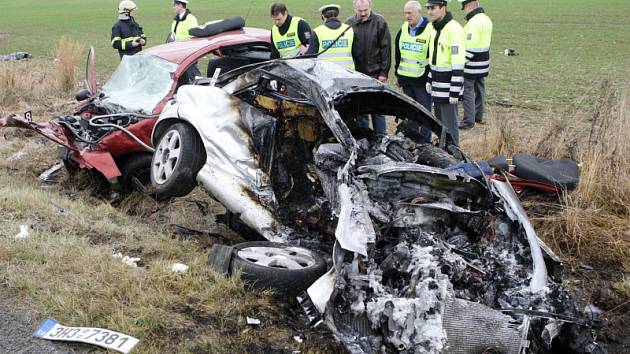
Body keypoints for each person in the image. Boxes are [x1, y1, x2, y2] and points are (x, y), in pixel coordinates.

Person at [347, 0, 391, 135]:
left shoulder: (380, 22)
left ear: (370, 7)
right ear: (354, 8)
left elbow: (386, 48)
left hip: (376, 74)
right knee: (361, 111)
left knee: (378, 111)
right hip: (356, 75)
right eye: (360, 11)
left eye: (365, 10)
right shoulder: (349, 24)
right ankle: (364, 138)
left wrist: (384, 72)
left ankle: (381, 137)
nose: (363, 13)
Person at [426, 0, 465, 147]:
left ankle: (454, 152)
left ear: (443, 8)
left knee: (450, 124)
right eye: (428, 8)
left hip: (449, 88)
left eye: (433, 8)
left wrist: (455, 90)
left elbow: (458, 62)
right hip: (437, 86)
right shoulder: (434, 28)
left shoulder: (454, 29)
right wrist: (430, 79)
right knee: (440, 123)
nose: (430, 11)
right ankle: (443, 150)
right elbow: (434, 59)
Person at [394, 1, 434, 142]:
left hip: (422, 80)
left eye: (410, 13)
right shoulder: (403, 29)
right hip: (406, 80)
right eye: (405, 13)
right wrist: (398, 75)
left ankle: (425, 142)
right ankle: (411, 140)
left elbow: (433, 57)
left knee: (424, 112)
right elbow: (398, 53)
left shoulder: (430, 30)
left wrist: (430, 78)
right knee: (410, 112)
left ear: (419, 13)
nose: (407, 16)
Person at [458, 0, 493, 129]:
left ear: (470, 5)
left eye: (464, 7)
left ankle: (468, 121)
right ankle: (478, 116)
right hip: (484, 62)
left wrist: (461, 63)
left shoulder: (473, 23)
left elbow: (470, 48)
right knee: (480, 89)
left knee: (468, 91)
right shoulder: (486, 19)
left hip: (472, 64)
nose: (464, 10)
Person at [310, 4, 358, 70]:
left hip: (325, 73)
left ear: (323, 16)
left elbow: (311, 57)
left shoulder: (317, 31)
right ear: (337, 16)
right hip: (348, 73)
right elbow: (357, 54)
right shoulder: (350, 30)